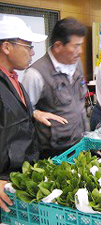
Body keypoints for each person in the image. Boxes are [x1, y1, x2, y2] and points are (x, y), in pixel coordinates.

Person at [22, 17, 88, 159]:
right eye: (76, 46)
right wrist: (35, 112)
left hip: (79, 142)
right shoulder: (36, 74)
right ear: (58, 46)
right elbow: (23, 111)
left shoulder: (77, 64)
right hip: (53, 152)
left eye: (81, 45)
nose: (80, 51)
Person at [0, 16, 47, 212]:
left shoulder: (14, 79)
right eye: (28, 46)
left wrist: (32, 113)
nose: (32, 52)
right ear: (7, 47)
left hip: (17, 178)